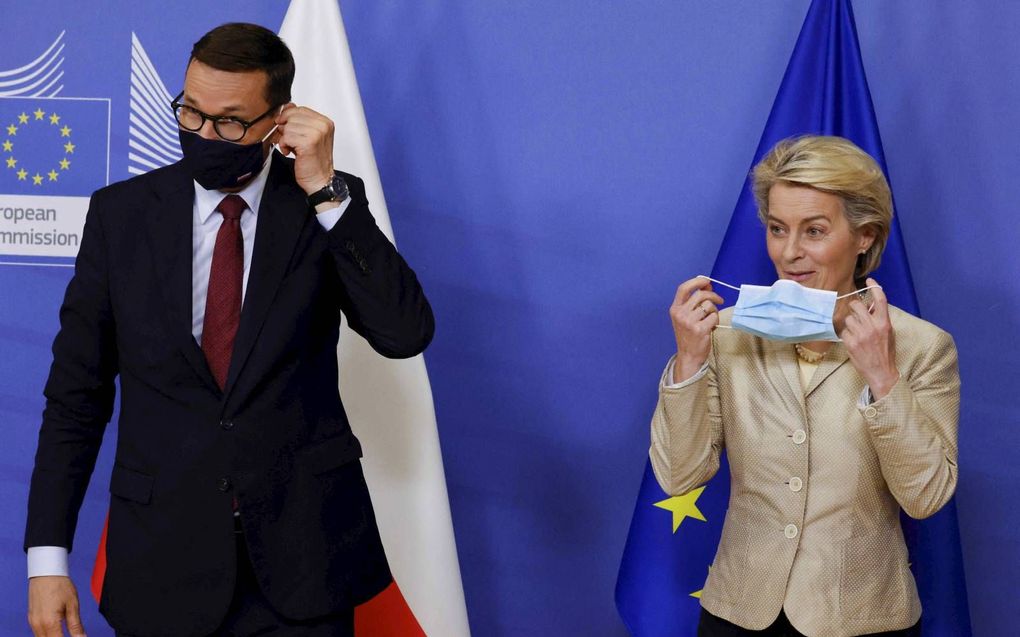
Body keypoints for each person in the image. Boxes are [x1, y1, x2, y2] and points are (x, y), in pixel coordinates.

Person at [25, 23, 433, 637]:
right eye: (190, 112)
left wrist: (325, 191)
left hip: (305, 569)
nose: (205, 134)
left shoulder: (324, 209)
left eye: (230, 122)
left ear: (280, 120)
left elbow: (404, 333)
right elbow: (74, 400)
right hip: (161, 567)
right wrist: (47, 561)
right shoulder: (121, 216)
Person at [652, 135, 959, 637]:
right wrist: (689, 361)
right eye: (777, 229)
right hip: (739, 612)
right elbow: (679, 476)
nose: (789, 252)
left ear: (865, 236)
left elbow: (925, 498)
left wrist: (883, 377)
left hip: (863, 619)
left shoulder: (923, 347)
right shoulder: (726, 335)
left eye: (814, 231)